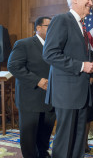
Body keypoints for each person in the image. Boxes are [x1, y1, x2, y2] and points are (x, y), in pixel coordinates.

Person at [43, 0, 93, 158]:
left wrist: (91, 65)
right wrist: (82, 66)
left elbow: (74, 55)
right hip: (67, 94)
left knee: (78, 141)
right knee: (65, 141)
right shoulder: (62, 19)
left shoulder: (81, 26)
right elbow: (50, 54)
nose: (91, 3)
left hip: (81, 93)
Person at [7, 16, 56, 158]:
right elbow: (13, 66)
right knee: (29, 138)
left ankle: (43, 154)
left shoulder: (54, 46)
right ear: (38, 28)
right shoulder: (24, 44)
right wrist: (37, 80)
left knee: (45, 134)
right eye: (48, 26)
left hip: (50, 99)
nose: (52, 29)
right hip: (30, 99)